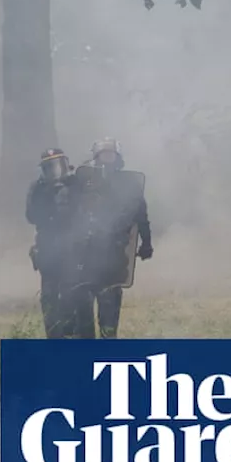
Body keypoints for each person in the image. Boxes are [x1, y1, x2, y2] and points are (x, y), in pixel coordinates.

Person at [63, 138, 153, 339]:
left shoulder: (129, 184)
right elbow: (68, 211)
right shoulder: (82, 183)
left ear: (118, 158)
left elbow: (141, 215)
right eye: (103, 155)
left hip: (113, 255)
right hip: (84, 257)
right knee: (83, 317)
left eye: (110, 155)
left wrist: (146, 243)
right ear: (96, 158)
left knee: (109, 315)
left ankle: (107, 350)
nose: (107, 159)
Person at [26, 148, 76, 338]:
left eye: (57, 165)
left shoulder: (76, 185)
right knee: (49, 297)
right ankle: (54, 337)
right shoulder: (38, 189)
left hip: (73, 246)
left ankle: (72, 334)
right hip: (48, 247)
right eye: (49, 167)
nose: (54, 171)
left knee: (72, 293)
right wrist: (47, 195)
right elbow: (31, 216)